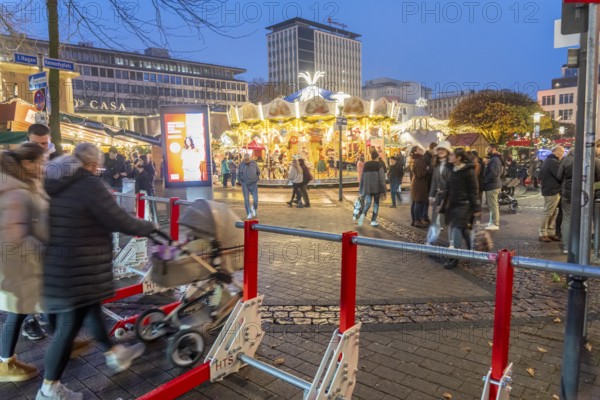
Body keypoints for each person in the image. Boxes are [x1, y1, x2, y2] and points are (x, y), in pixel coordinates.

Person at [37, 143, 155, 400]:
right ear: (91, 164)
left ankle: (114, 355)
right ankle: (49, 389)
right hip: (79, 268)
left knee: (91, 310)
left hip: (59, 265)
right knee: (68, 327)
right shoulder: (89, 184)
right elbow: (118, 219)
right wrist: (149, 227)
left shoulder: (54, 181)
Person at [0, 143, 48, 382]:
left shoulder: (23, 183)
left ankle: (6, 360)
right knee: (18, 311)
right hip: (18, 261)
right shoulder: (15, 190)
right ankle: (5, 363)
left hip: (21, 260)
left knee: (21, 309)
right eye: (40, 162)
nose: (43, 167)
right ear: (27, 163)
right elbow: (16, 234)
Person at [438, 148, 481, 269]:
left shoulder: (468, 170)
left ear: (459, 158)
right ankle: (471, 248)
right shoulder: (450, 168)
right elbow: (447, 187)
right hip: (452, 205)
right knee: (463, 230)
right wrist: (441, 202)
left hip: (464, 205)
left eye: (452, 155)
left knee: (456, 231)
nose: (449, 157)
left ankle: (454, 258)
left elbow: (473, 190)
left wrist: (476, 207)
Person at [538, 146, 565, 243]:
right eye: (562, 152)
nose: (562, 154)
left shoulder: (547, 161)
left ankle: (549, 232)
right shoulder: (553, 162)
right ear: (557, 152)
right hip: (552, 190)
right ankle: (543, 233)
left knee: (552, 213)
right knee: (548, 212)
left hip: (549, 189)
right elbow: (560, 175)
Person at [357, 151, 387, 227]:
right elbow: (382, 179)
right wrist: (384, 191)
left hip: (367, 188)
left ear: (371, 157)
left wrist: (361, 190)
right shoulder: (379, 165)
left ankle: (362, 216)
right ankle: (373, 221)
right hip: (376, 188)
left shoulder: (366, 165)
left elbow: (362, 178)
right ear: (377, 157)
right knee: (376, 204)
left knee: (368, 203)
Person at [428, 141, 452, 227]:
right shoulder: (436, 164)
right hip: (438, 195)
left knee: (449, 221)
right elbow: (434, 181)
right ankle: (431, 239)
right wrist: (431, 196)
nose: (440, 151)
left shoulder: (451, 164)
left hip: (448, 196)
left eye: (442, 149)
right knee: (435, 219)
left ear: (447, 151)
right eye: (439, 149)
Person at [482, 144, 504, 231]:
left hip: (492, 185)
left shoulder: (494, 159)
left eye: (488, 148)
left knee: (493, 206)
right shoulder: (497, 158)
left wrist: (485, 181)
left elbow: (493, 174)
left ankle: (495, 223)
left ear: (493, 148)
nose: (487, 150)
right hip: (494, 184)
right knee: (493, 205)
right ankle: (492, 222)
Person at [557, 148, 574, 254]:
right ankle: (579, 244)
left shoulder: (566, 160)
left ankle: (566, 246)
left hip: (567, 191)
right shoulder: (586, 159)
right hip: (582, 192)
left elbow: (559, 176)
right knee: (582, 218)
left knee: (567, 218)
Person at [409, 146, 429, 228]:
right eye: (419, 149)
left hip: (416, 183)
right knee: (418, 201)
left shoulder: (413, 159)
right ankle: (417, 220)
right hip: (420, 184)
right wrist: (427, 170)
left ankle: (414, 220)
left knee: (415, 202)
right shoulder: (419, 160)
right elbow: (420, 174)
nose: (421, 150)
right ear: (415, 152)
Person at [238, 154, 260, 219]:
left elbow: (258, 172)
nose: (246, 161)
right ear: (243, 159)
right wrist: (241, 182)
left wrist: (256, 178)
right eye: (245, 160)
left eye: (247, 160)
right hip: (245, 184)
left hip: (253, 183)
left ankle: (254, 207)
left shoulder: (254, 163)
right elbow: (238, 175)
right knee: (246, 200)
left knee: (255, 199)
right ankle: (249, 213)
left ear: (250, 159)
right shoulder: (241, 165)